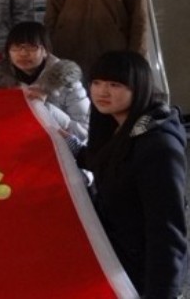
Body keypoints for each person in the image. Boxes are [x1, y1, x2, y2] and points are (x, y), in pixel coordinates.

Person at [72, 51, 187, 297]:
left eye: (115, 85)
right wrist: (66, 146)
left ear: (139, 88)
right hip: (116, 252)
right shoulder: (116, 126)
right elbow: (110, 162)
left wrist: (161, 293)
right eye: (96, 82)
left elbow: (167, 231)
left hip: (141, 268)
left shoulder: (157, 147)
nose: (102, 92)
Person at [0, 22, 89, 140]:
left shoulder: (68, 83)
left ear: (46, 51)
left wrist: (44, 107)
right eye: (16, 48)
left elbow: (84, 132)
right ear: (8, 53)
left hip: (58, 147)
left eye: (32, 47)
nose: (23, 53)